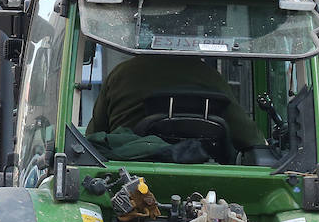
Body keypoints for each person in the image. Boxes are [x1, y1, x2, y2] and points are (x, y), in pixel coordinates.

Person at [87, 54, 264, 151]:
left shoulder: (122, 74)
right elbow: (251, 140)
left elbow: (93, 138)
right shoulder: (210, 77)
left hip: (128, 180)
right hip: (210, 183)